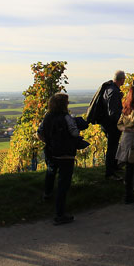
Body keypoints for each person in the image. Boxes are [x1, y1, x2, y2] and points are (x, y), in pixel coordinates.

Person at [36, 93, 89, 225]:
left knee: (51, 172)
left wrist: (49, 142)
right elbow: (74, 133)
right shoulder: (67, 117)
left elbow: (39, 133)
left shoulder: (47, 117)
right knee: (63, 183)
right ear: (64, 104)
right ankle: (60, 214)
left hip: (51, 152)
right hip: (66, 154)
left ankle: (47, 194)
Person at [99, 71, 125, 180]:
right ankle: (110, 173)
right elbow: (113, 112)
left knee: (114, 146)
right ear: (121, 79)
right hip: (112, 125)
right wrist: (121, 123)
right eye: (124, 79)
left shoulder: (110, 89)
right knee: (112, 148)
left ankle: (114, 167)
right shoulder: (113, 91)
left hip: (107, 123)